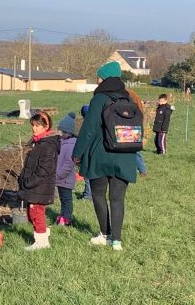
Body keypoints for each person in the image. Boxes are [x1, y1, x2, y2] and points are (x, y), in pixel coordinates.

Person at [72, 61, 138, 251]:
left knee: (99, 195)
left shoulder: (99, 99)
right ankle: (117, 241)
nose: (98, 80)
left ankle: (105, 234)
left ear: (105, 78)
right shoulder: (129, 100)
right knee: (118, 199)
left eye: (99, 77)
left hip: (100, 156)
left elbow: (89, 129)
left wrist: (77, 153)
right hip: (125, 156)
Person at [18, 111, 59, 250]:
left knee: (36, 213)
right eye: (33, 125)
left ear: (46, 126)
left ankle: (41, 242)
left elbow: (44, 170)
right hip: (36, 185)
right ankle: (42, 235)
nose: (34, 128)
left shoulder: (47, 145)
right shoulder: (38, 143)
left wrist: (30, 182)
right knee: (32, 214)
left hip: (40, 186)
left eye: (38, 125)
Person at [55, 113, 77, 226]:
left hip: (65, 179)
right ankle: (63, 216)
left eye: (61, 131)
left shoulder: (71, 144)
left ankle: (67, 218)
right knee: (63, 200)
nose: (59, 133)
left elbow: (69, 163)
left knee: (67, 200)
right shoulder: (62, 142)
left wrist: (58, 175)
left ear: (67, 132)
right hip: (60, 178)